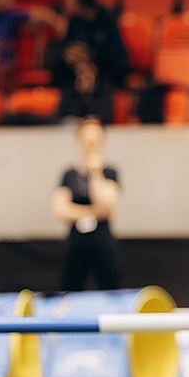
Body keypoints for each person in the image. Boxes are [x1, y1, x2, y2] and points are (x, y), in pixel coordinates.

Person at [51, 116, 122, 292]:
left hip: (102, 239)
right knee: (69, 288)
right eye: (86, 138)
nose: (91, 143)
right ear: (79, 140)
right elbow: (60, 209)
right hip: (76, 240)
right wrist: (94, 211)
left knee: (110, 288)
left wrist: (95, 172)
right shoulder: (69, 174)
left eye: (95, 138)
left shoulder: (109, 172)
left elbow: (107, 205)